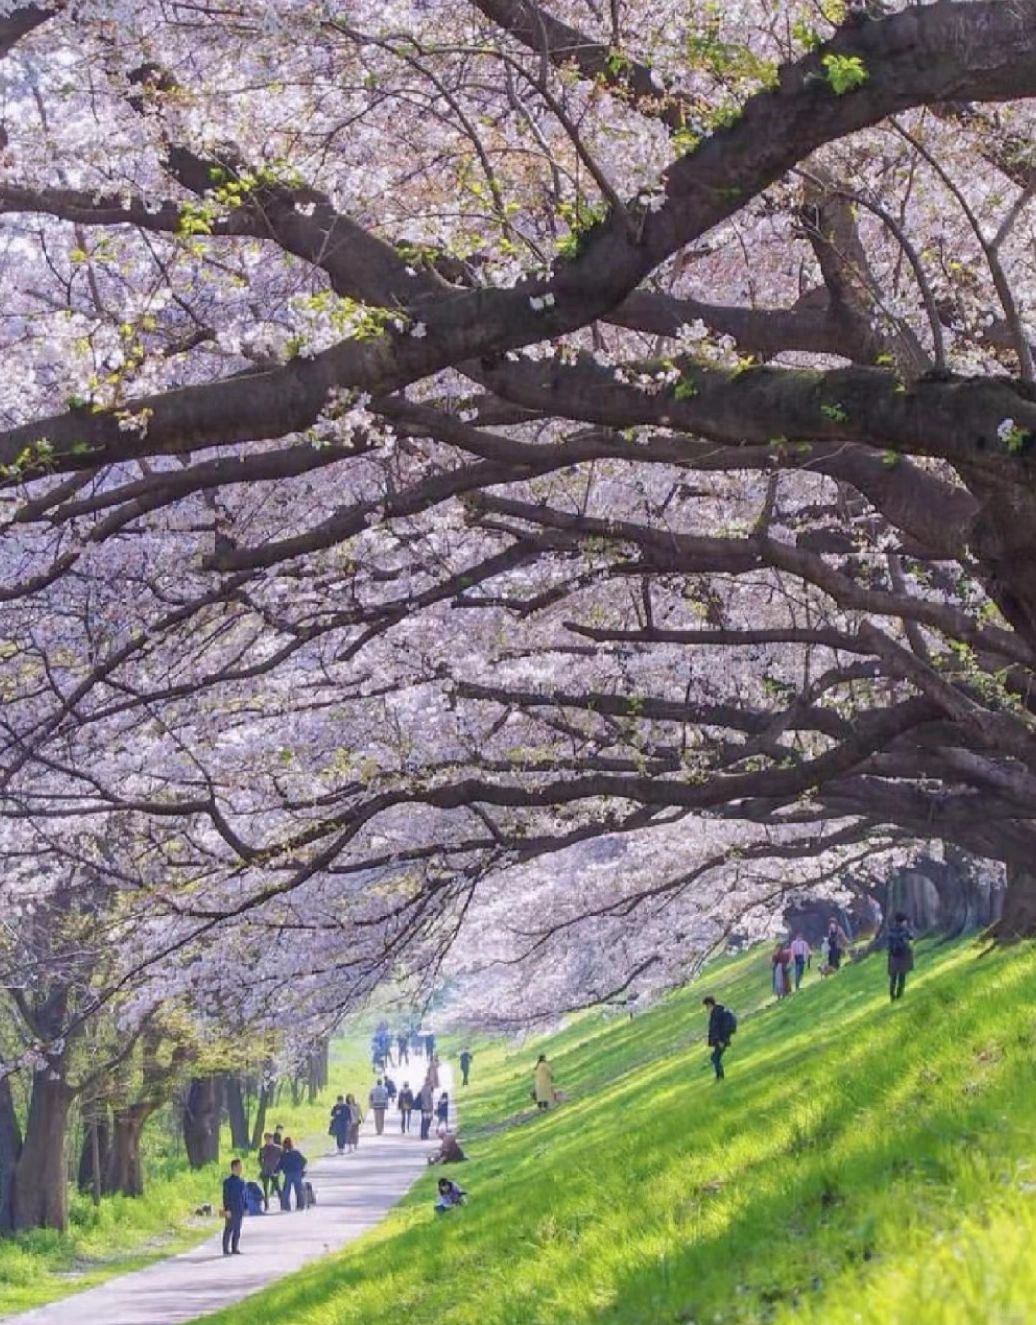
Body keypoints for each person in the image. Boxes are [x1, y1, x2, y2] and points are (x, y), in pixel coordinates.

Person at [703, 995, 736, 1081]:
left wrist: (720, 1041)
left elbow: (716, 1029)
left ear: (710, 1004)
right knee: (715, 1058)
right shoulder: (719, 1011)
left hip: (721, 1040)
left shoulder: (716, 1014)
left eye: (707, 1006)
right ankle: (719, 1076)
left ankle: (720, 1077)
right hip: (722, 1040)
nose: (707, 1009)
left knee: (715, 1058)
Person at [887, 911, 915, 1001]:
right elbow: (911, 937)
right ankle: (899, 995)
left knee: (893, 978)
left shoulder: (891, 930)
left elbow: (888, 942)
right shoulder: (905, 930)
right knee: (902, 976)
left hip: (893, 956)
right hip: (903, 955)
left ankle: (892, 995)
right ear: (903, 921)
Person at [221, 1158, 246, 1255]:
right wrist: (226, 1209)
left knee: (237, 1229)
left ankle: (235, 1248)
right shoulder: (227, 1182)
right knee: (229, 1229)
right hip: (231, 1208)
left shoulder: (242, 1182)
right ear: (234, 1167)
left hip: (239, 1208)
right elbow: (225, 1196)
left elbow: (244, 1196)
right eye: (239, 1167)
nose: (241, 1169)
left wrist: (245, 1207)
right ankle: (225, 1249)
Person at [278, 1137, 307, 1212]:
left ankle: (286, 1207)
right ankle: (300, 1205)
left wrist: (276, 1171)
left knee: (286, 1191)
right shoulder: (296, 1152)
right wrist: (300, 1168)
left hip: (288, 1173)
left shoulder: (283, 1155)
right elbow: (304, 1161)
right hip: (297, 1173)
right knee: (299, 1190)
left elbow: (280, 1165)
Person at [257, 1131, 283, 1210]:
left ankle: (283, 1203)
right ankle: (266, 1205)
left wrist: (279, 1167)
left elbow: (282, 1158)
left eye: (269, 1139)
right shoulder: (262, 1149)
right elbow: (259, 1159)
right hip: (265, 1170)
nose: (268, 1140)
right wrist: (262, 1166)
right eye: (266, 1139)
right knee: (265, 1189)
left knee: (277, 1187)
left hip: (274, 1170)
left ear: (272, 1139)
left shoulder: (278, 1148)